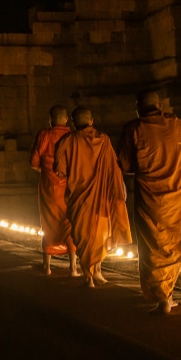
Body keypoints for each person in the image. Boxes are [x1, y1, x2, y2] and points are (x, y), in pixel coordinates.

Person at [117, 91, 181, 315]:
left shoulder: (134, 129)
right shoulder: (178, 125)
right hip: (176, 195)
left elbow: (125, 164)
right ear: (159, 105)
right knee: (172, 244)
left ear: (138, 109)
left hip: (149, 198)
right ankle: (169, 294)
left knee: (152, 246)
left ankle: (163, 299)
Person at [54, 106, 132, 288]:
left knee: (84, 236)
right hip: (100, 199)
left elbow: (59, 169)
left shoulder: (68, 140)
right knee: (100, 234)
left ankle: (91, 274)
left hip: (79, 198)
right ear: (91, 121)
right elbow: (115, 168)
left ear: (73, 123)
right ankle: (94, 272)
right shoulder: (103, 140)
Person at [30, 105, 79, 277]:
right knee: (69, 223)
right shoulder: (72, 137)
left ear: (50, 119)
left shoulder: (45, 135)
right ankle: (73, 268)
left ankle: (47, 267)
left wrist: (46, 172)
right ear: (66, 120)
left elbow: (34, 162)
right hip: (68, 188)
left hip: (49, 188)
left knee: (48, 223)